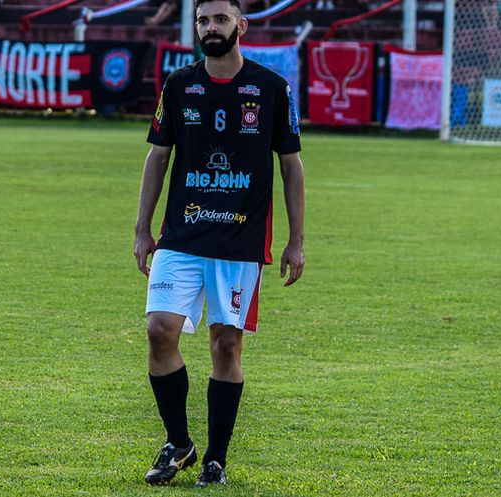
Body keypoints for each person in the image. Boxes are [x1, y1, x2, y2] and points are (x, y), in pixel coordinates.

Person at [133, 0, 305, 487]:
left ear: (241, 26)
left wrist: (296, 241)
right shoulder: (178, 85)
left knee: (225, 346)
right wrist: (143, 228)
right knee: (159, 330)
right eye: (204, 20)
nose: (212, 27)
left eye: (221, 19)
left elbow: (291, 167)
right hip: (181, 234)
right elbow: (157, 158)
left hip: (239, 239)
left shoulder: (272, 89)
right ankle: (178, 443)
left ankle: (215, 459)